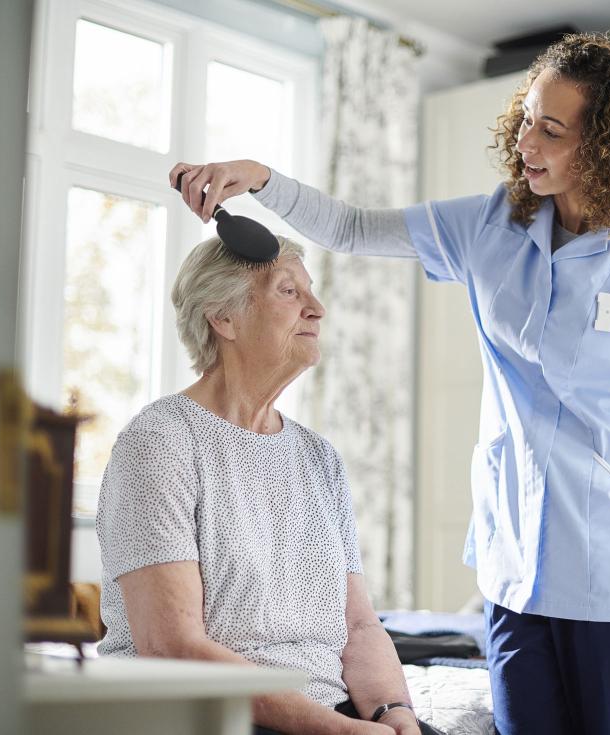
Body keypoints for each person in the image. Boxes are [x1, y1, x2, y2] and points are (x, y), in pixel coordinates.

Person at [171, 31, 610, 735]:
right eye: (526, 117)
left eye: (551, 130)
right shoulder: (492, 223)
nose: (526, 140)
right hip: (513, 572)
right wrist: (260, 178)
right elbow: (349, 227)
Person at [96, 235, 440, 735]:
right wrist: (339, 730)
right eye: (288, 292)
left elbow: (361, 627)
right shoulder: (159, 442)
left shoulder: (318, 458)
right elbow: (170, 646)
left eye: (311, 291)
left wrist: (396, 714)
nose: (317, 309)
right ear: (224, 318)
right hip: (210, 714)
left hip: (327, 714)